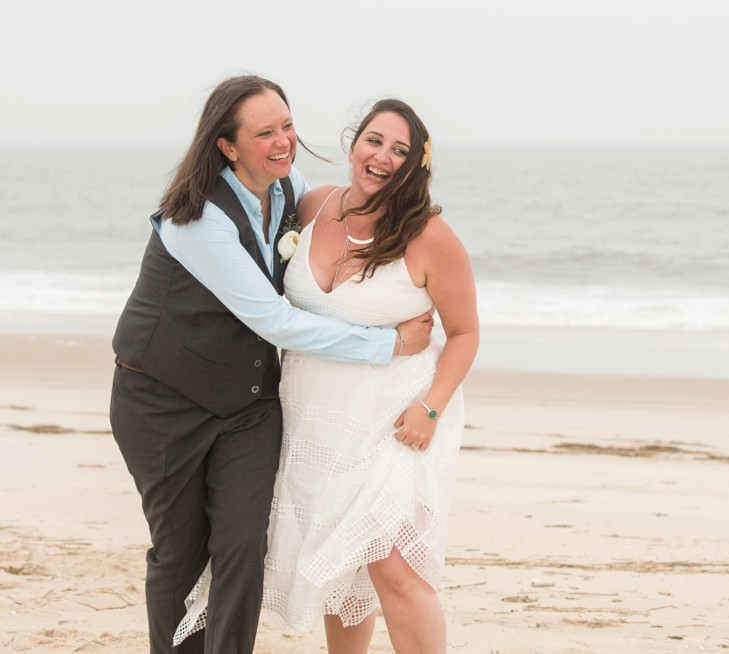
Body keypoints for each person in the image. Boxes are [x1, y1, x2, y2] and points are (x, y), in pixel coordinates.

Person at [109, 76, 433, 654]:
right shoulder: (196, 220)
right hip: (160, 399)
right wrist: (387, 344)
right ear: (227, 147)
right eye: (265, 132)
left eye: (286, 124)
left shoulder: (289, 191)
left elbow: (348, 221)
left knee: (242, 548)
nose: (284, 141)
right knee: (180, 554)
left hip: (247, 406)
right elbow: (275, 321)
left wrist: (411, 216)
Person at [175, 99, 479, 653]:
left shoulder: (431, 236)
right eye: (374, 141)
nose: (383, 157)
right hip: (316, 416)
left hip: (396, 419)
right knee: (345, 563)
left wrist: (431, 407)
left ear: (416, 166)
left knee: (391, 565)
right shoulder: (312, 205)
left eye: (400, 150)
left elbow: (463, 334)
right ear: (352, 144)